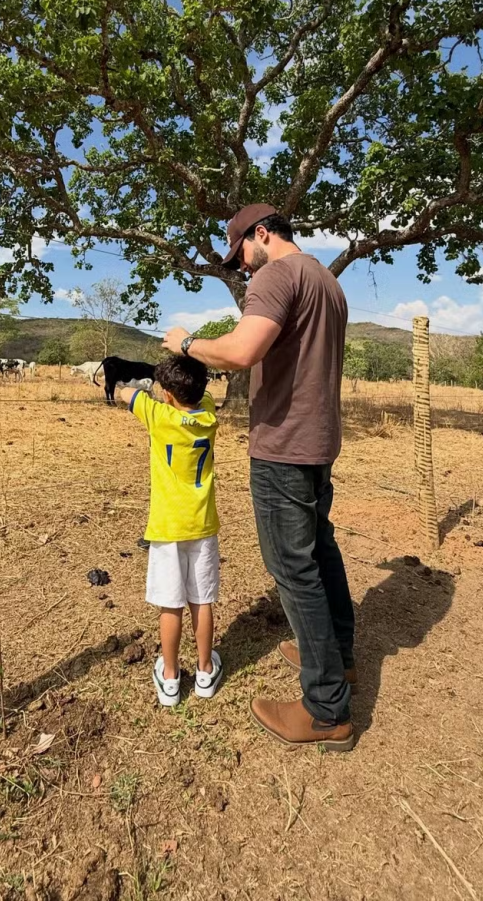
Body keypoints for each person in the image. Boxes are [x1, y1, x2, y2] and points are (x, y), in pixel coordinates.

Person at [163, 203, 355, 750]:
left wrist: (185, 342)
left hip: (284, 446)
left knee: (293, 570)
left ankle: (325, 710)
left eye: (241, 254)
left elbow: (242, 351)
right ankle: (340, 660)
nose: (244, 268)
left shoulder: (275, 274)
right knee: (321, 552)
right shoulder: (326, 281)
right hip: (320, 441)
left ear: (261, 234)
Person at [115, 355, 223, 707]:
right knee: (202, 598)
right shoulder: (207, 415)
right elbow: (200, 395)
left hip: (166, 527)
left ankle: (172, 676)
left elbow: (125, 394)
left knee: (170, 603)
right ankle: (206, 670)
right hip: (203, 524)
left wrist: (141, 391)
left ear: (167, 395)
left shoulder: (158, 417)